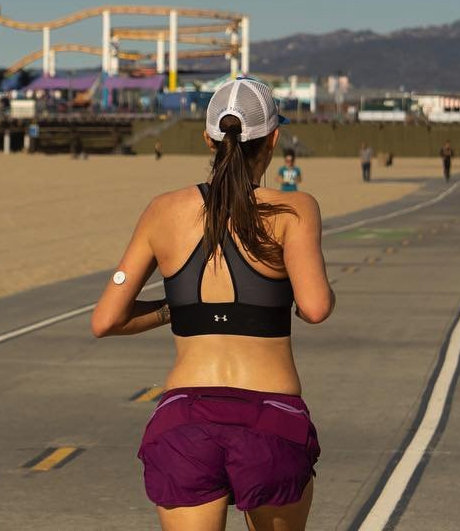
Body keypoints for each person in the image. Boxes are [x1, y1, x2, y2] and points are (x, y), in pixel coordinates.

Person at [91, 77, 335, 531]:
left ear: (208, 138)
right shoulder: (293, 208)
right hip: (271, 417)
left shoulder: (162, 210)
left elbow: (106, 320)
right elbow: (316, 307)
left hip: (184, 420)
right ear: (275, 138)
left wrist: (175, 308)